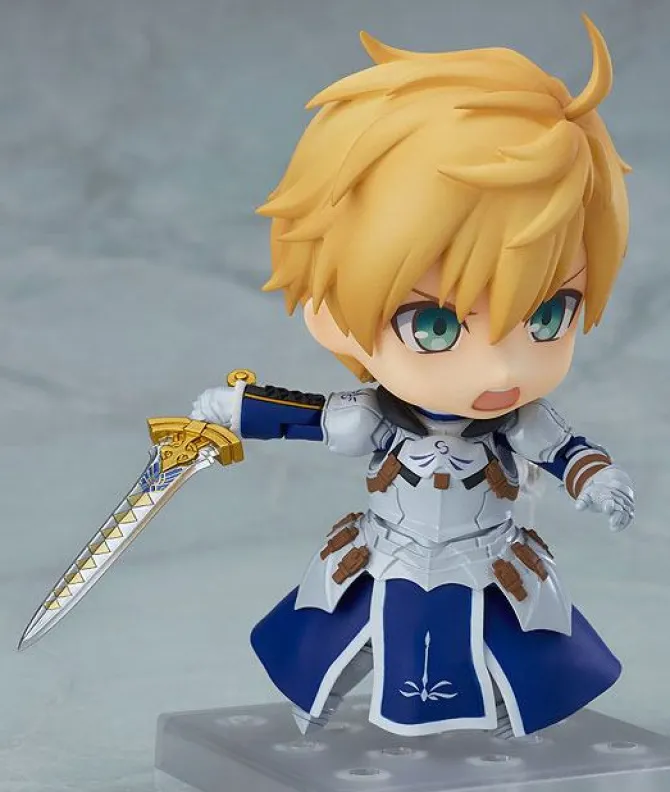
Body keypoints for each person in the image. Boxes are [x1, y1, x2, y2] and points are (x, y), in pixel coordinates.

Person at [190, 15, 634, 739]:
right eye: (436, 327)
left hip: (488, 555)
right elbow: (307, 417)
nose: (499, 367)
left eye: (548, 316)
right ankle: (318, 700)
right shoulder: (371, 418)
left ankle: (512, 712)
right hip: (389, 550)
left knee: (517, 643)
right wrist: (231, 410)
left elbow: (565, 451)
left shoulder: (519, 424)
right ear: (334, 316)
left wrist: (599, 481)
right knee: (345, 637)